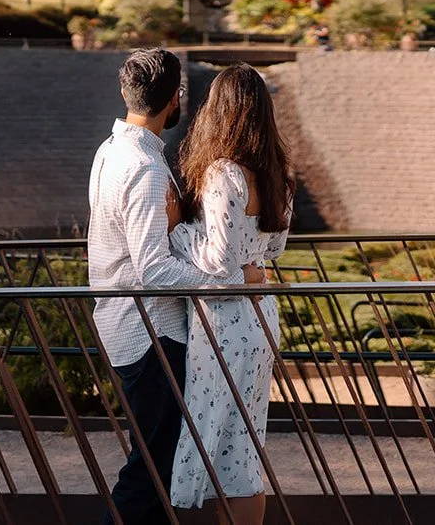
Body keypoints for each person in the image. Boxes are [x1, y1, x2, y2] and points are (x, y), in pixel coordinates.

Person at [88, 49, 264, 525]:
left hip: (130, 327)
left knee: (156, 469)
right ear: (175, 100)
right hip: (150, 333)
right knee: (152, 474)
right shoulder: (143, 168)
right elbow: (155, 272)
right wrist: (234, 278)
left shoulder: (112, 151)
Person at [165, 64, 295, 525]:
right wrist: (251, 266)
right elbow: (274, 247)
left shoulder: (223, 172)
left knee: (213, 437)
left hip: (224, 320)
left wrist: (177, 230)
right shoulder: (276, 171)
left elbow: (218, 261)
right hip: (260, 318)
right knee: (242, 445)